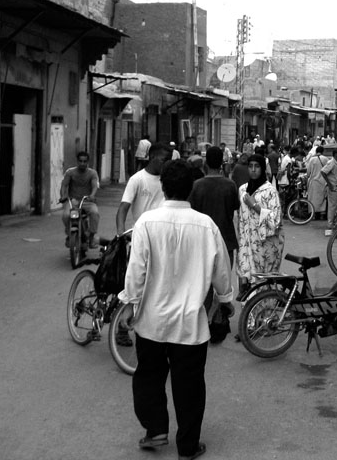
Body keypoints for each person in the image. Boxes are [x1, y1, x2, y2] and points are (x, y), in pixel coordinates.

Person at [119, 159, 233, 458]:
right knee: (190, 386)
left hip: (152, 320)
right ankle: (187, 446)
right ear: (190, 189)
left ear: (163, 187)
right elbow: (222, 270)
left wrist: (129, 305)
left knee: (149, 377)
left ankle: (155, 430)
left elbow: (136, 271)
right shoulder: (206, 225)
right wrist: (225, 300)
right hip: (190, 324)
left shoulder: (145, 222)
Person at [236, 154, 285, 294]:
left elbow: (275, 220)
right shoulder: (242, 190)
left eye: (256, 166)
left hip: (266, 245)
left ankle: (267, 314)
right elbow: (241, 219)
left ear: (262, 169)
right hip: (247, 244)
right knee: (247, 279)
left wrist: (255, 206)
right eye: (250, 166)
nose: (253, 170)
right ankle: (250, 315)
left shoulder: (270, 191)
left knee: (264, 283)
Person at [189, 147, 240, 268]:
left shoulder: (197, 186)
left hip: (203, 240)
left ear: (206, 163)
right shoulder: (230, 185)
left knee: (205, 282)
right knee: (225, 280)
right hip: (226, 239)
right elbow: (235, 207)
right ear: (222, 162)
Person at [116, 142, 169, 233]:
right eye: (164, 160)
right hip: (141, 232)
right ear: (152, 156)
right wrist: (121, 232)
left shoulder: (169, 180)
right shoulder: (137, 179)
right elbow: (123, 208)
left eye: (169, 161)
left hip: (163, 232)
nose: (166, 164)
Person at [60, 151, 100, 248]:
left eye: (84, 161)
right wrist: (63, 196)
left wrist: (92, 195)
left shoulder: (92, 173)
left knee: (95, 213)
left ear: (87, 162)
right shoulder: (70, 172)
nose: (82, 163)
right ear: (77, 161)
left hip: (87, 201)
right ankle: (69, 235)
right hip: (73, 201)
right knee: (66, 215)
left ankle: (91, 236)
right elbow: (64, 185)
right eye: (80, 161)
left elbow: (95, 186)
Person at [321, 148, 337, 236]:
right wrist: (329, 184)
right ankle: (330, 225)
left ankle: (333, 222)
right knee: (332, 206)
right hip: (332, 188)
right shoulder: (331, 163)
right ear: (335, 154)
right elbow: (323, 172)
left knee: (335, 205)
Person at [306, 145, 328, 219]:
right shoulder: (326, 159)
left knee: (313, 198)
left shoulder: (312, 159)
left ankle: (313, 214)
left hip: (314, 181)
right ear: (322, 151)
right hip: (323, 181)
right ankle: (322, 213)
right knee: (322, 198)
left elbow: (308, 172)